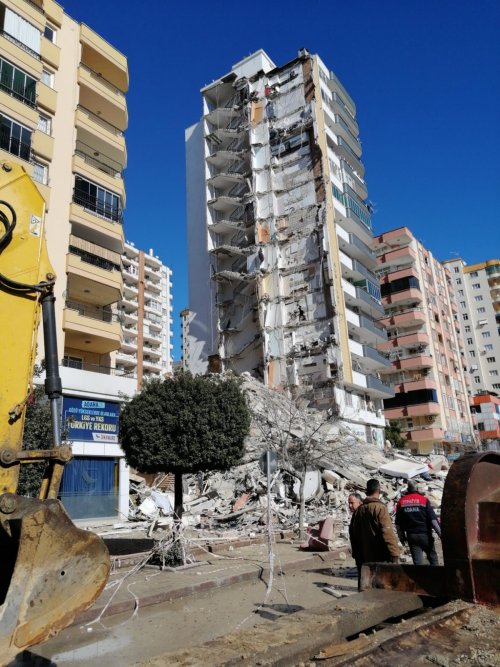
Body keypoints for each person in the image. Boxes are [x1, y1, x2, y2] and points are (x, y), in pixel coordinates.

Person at [349, 479, 400, 590]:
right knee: (381, 587)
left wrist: (356, 554)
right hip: (380, 557)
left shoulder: (358, 511)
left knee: (365, 586)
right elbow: (387, 533)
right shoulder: (380, 508)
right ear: (378, 490)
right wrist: (395, 554)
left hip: (363, 559)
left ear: (367, 491)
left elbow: (352, 534)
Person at [395, 480, 441, 566]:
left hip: (412, 536)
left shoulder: (401, 502)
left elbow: (398, 524)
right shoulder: (424, 500)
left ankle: (420, 575)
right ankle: (436, 574)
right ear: (417, 489)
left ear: (408, 489)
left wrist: (402, 538)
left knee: (418, 564)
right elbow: (433, 521)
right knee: (433, 559)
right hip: (425, 535)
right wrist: (440, 534)